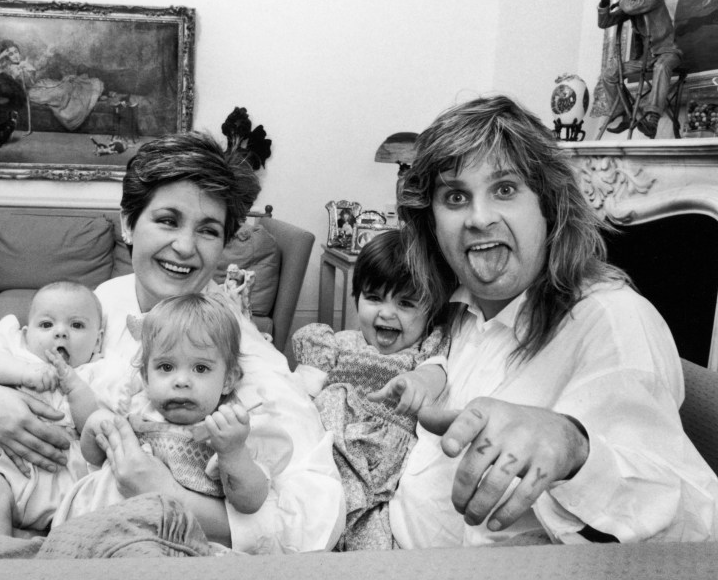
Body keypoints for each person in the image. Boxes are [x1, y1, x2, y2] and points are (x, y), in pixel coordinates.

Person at [0, 131, 344, 553]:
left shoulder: (242, 356)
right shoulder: (108, 298)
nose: (183, 247)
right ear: (128, 223)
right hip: (54, 503)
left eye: (208, 230)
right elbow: (12, 347)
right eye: (167, 220)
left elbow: (320, 518)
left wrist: (172, 498)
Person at [390, 94, 718, 547]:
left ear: (549, 206)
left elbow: (691, 527)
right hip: (389, 546)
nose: (479, 218)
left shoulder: (614, 321)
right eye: (455, 197)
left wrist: (574, 448)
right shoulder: (464, 306)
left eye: (505, 189)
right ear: (432, 223)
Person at [53, 292, 273, 526]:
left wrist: (233, 453)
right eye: (166, 367)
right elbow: (93, 457)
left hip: (172, 537)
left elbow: (250, 502)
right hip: (100, 521)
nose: (181, 381)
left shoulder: (229, 429)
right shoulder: (135, 412)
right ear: (146, 378)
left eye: (200, 368)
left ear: (228, 379)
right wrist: (95, 425)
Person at [292, 229, 452, 550]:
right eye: (374, 297)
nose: (386, 312)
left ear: (430, 312)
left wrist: (422, 383)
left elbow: (438, 371)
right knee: (297, 522)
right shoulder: (336, 344)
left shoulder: (422, 355)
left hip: (376, 470)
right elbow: (300, 396)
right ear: (357, 299)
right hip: (325, 452)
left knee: (371, 544)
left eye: (406, 303)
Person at [0, 281, 104, 536]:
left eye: (77, 325)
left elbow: (93, 426)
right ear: (27, 335)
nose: (60, 333)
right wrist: (26, 372)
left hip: (70, 479)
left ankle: (58, 552)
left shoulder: (99, 373)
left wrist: (75, 389)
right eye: (47, 325)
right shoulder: (17, 357)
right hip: (6, 470)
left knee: (93, 512)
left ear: (98, 340)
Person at [596, 0, 681, 139]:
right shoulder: (630, 3)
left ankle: (652, 119)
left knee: (662, 66)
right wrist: (604, 5)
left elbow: (635, 6)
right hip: (646, 58)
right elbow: (605, 22)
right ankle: (624, 112)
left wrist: (620, 2)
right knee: (610, 74)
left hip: (667, 52)